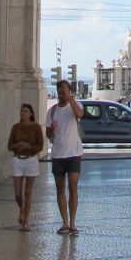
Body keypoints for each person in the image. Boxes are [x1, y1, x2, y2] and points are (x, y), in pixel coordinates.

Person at [46, 79, 84, 234]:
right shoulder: (52, 111)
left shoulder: (76, 105)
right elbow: (48, 134)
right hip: (58, 154)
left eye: (64, 91)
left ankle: (73, 222)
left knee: (73, 187)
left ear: (69, 92)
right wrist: (52, 130)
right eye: (60, 92)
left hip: (74, 153)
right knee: (60, 188)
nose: (62, 95)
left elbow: (80, 114)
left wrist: (70, 99)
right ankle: (65, 222)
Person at [7, 102, 44, 230]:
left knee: (28, 192)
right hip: (18, 160)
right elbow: (10, 145)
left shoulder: (36, 127)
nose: (23, 113)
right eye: (22, 111)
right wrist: (18, 145)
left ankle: (26, 220)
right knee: (17, 193)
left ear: (31, 114)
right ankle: (21, 209)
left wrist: (29, 146)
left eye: (26, 111)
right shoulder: (16, 127)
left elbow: (40, 146)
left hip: (31, 160)